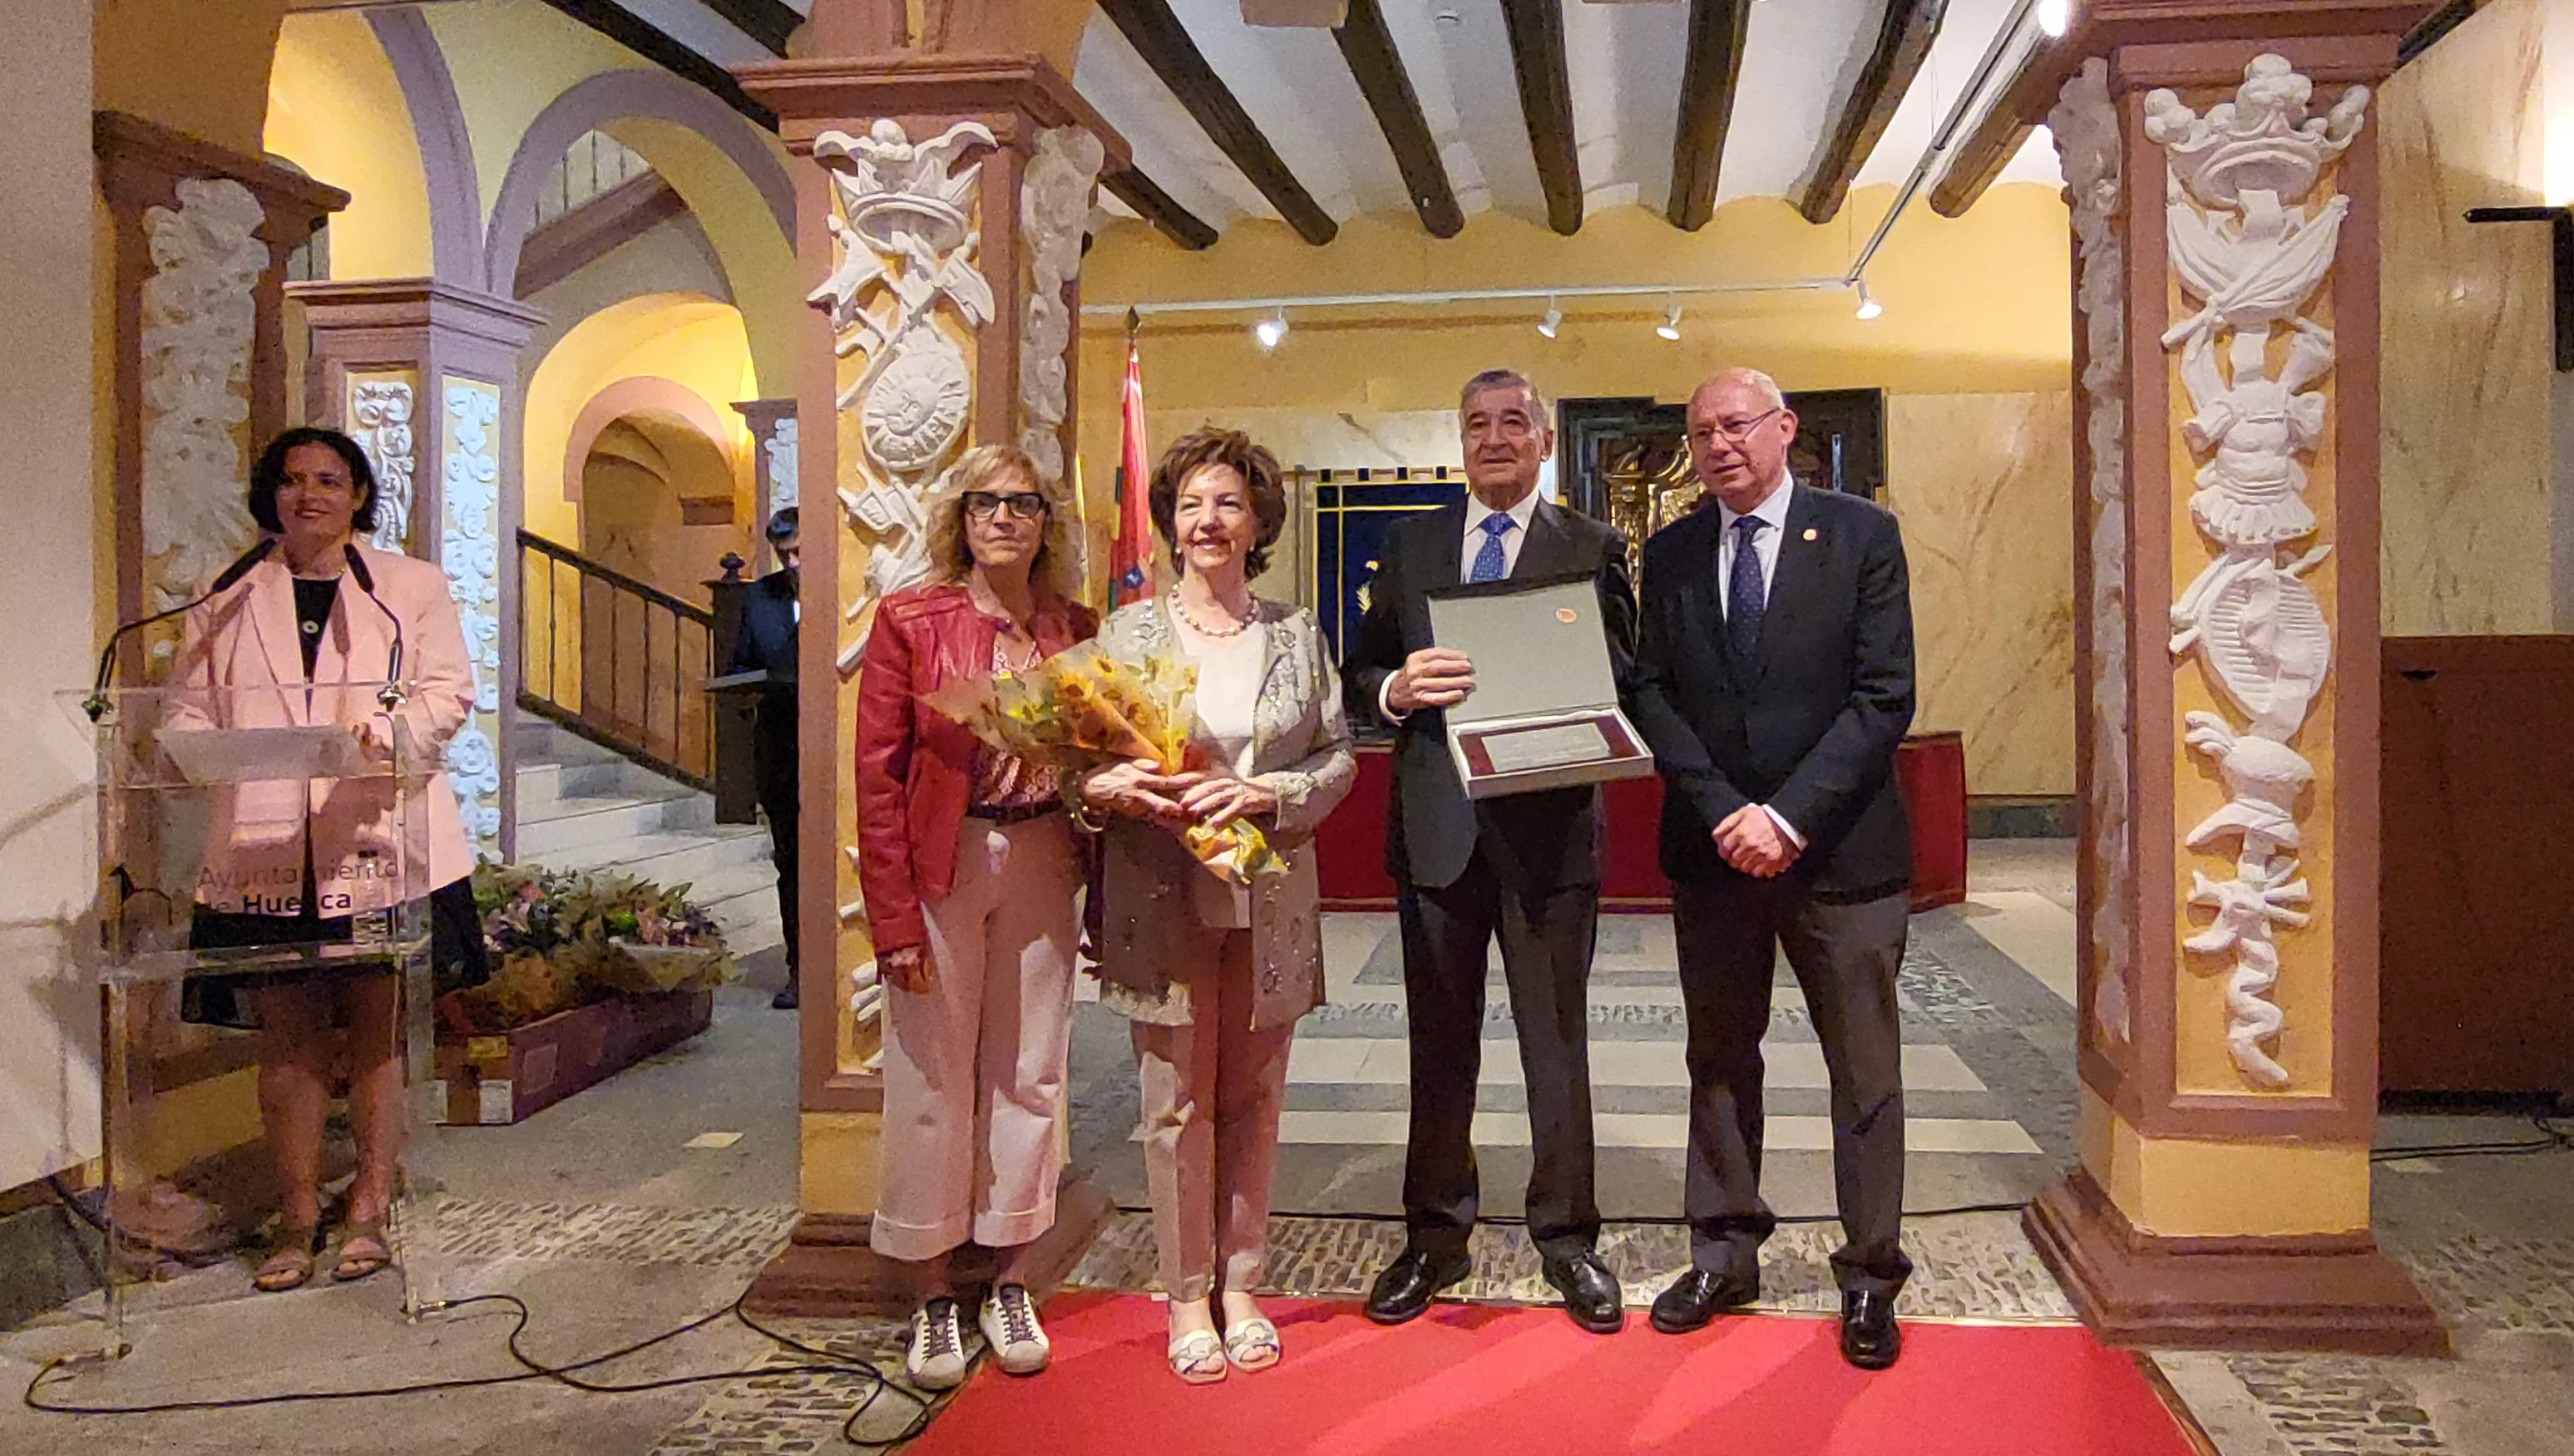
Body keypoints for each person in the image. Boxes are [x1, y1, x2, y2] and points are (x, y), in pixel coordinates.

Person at [1625, 367, 1918, 1370]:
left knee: (1865, 1074)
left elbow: (1885, 695)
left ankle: (1871, 1273)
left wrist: (1786, 818)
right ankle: (1722, 1250)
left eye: (1736, 425)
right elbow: (1649, 694)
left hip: (1840, 854)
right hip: (1712, 857)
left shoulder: (1858, 536)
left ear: (1784, 428)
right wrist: (1724, 812)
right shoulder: (1664, 553)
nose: (1718, 445)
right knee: (1717, 1059)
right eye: (1701, 431)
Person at [1341, 370, 1636, 1334]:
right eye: (1477, 424)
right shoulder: (1411, 541)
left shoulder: (1591, 547)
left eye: (1513, 423)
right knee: (1438, 1047)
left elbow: (1628, 678)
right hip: (1437, 834)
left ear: (1542, 440)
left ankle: (1567, 1237)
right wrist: (1395, 689)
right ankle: (1432, 1235)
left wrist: (1586, 691)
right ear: (1459, 440)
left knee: (1556, 1046)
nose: (1495, 438)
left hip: (1550, 836)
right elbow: (1360, 670)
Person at [170, 426, 487, 1294]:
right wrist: (195, 750)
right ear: (267, 494)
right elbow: (187, 713)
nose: (306, 494)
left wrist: (381, 736)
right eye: (289, 479)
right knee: (289, 1041)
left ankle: (372, 1201)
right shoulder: (224, 591)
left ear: (357, 495)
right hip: (266, 844)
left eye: (327, 479)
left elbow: (447, 691)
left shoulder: (406, 588)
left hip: (377, 835)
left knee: (376, 1030)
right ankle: (298, 1208)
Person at [1076, 428, 1355, 1384]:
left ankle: (1243, 1283)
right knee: (1173, 1103)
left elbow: (1339, 755)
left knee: (1254, 1096)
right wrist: (1108, 786)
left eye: (1228, 502)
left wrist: (1269, 795)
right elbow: (1084, 766)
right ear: (1168, 520)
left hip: (1268, 890)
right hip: (1161, 891)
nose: (1209, 519)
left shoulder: (1296, 633)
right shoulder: (1124, 637)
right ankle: (1184, 1292)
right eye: (1192, 502)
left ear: (1257, 521)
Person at [853, 445, 1094, 1389]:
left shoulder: (1073, 626)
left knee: (1029, 1070)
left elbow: (1094, 752)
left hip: (1042, 853)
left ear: (1045, 521)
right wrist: (893, 921)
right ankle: (929, 1293)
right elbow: (877, 780)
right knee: (930, 1075)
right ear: (959, 517)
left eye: (1022, 503)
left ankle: (1008, 1275)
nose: (1003, 516)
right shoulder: (912, 619)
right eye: (985, 501)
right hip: (943, 862)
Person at [728, 507, 803, 1010]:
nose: (794, 564)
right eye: (784, 555)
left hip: (837, 750)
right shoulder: (761, 597)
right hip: (780, 745)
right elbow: (740, 665)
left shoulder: (847, 594)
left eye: (801, 552)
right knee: (791, 864)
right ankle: (801, 968)